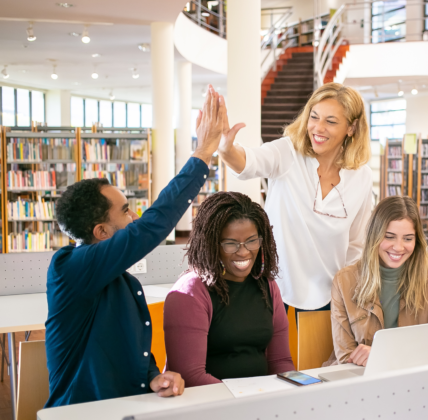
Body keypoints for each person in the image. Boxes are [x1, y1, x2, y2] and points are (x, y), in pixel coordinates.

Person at [44, 86, 225, 407]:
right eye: (126, 211)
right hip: (82, 412)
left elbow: (126, 347)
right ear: (100, 231)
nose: (134, 217)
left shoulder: (120, 281)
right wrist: (202, 155)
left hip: (129, 408)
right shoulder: (69, 268)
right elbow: (151, 227)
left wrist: (154, 376)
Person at [217, 83, 373, 313]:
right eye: (314, 117)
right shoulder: (288, 152)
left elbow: (356, 244)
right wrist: (227, 150)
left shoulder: (362, 176)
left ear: (352, 128)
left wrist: (348, 295)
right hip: (272, 288)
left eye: (330, 121)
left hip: (329, 295)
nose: (318, 128)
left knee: (318, 351)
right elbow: (250, 161)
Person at [163, 192, 294, 386]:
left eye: (252, 241)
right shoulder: (190, 292)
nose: (243, 252)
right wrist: (245, 401)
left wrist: (297, 389)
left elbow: (280, 362)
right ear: (211, 244)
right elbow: (190, 376)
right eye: (231, 244)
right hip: (212, 406)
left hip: (259, 400)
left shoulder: (267, 286)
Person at [328, 196, 428, 366]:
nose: (398, 247)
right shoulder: (344, 281)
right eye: (389, 237)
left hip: (414, 375)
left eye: (408, 238)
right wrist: (407, 353)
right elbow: (346, 357)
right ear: (375, 236)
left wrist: (383, 354)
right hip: (361, 378)